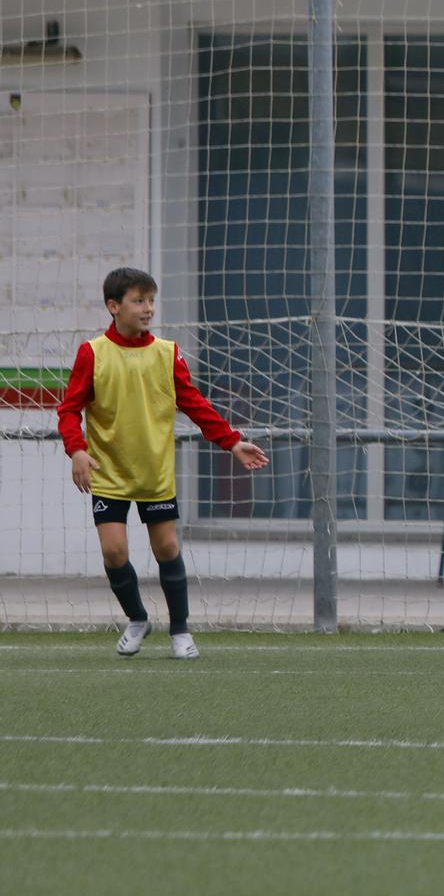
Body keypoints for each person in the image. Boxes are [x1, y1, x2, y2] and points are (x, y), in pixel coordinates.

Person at [57, 267, 269, 659]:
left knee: (167, 546)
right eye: (139, 301)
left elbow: (194, 403)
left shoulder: (167, 353)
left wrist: (233, 442)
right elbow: (69, 410)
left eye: (151, 300)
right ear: (113, 306)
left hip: (154, 472)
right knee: (114, 553)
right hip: (109, 474)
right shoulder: (93, 353)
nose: (148, 308)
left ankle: (181, 630)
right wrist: (77, 450)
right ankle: (138, 619)